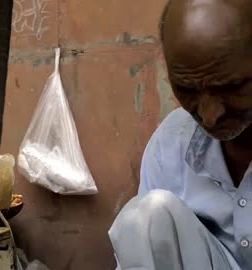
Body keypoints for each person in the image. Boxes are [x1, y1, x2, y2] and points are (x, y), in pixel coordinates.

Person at [108, 0, 252, 269]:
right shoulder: (171, 143)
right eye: (188, 90)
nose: (210, 116)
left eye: (231, 87)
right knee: (146, 217)